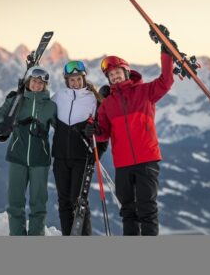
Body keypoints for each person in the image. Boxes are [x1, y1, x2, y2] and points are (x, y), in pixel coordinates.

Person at [85, 32, 174, 236]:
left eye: (118, 72)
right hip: (123, 163)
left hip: (147, 159)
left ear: (126, 72)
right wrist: (95, 130)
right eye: (111, 75)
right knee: (128, 211)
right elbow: (103, 134)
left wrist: (166, 53)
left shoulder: (144, 92)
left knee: (147, 209)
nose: (115, 76)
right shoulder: (108, 104)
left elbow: (166, 81)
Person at [0, 66, 57, 236]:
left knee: (38, 203)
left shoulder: (51, 106)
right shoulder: (16, 101)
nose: (37, 85)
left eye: (41, 83)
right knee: (15, 203)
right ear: (28, 82)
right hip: (17, 157)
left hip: (40, 160)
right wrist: (2, 126)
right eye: (34, 81)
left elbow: (62, 129)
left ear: (45, 86)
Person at [51, 60, 107, 235]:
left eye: (78, 79)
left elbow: (103, 128)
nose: (75, 83)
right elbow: (43, 109)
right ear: (67, 80)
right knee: (63, 201)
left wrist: (95, 135)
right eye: (72, 80)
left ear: (84, 78)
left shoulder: (92, 99)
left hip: (81, 157)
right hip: (60, 157)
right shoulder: (59, 96)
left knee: (78, 200)